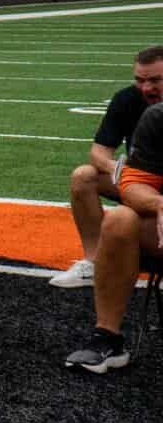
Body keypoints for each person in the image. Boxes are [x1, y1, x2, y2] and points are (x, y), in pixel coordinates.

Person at [50, 46, 163, 288]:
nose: (146, 88)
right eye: (140, 80)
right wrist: (122, 172)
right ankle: (94, 262)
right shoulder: (127, 99)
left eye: (155, 80)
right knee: (84, 176)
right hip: (141, 181)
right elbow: (98, 151)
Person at [65, 101, 163, 373]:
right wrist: (159, 204)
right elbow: (133, 186)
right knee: (120, 219)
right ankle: (107, 338)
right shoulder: (157, 116)